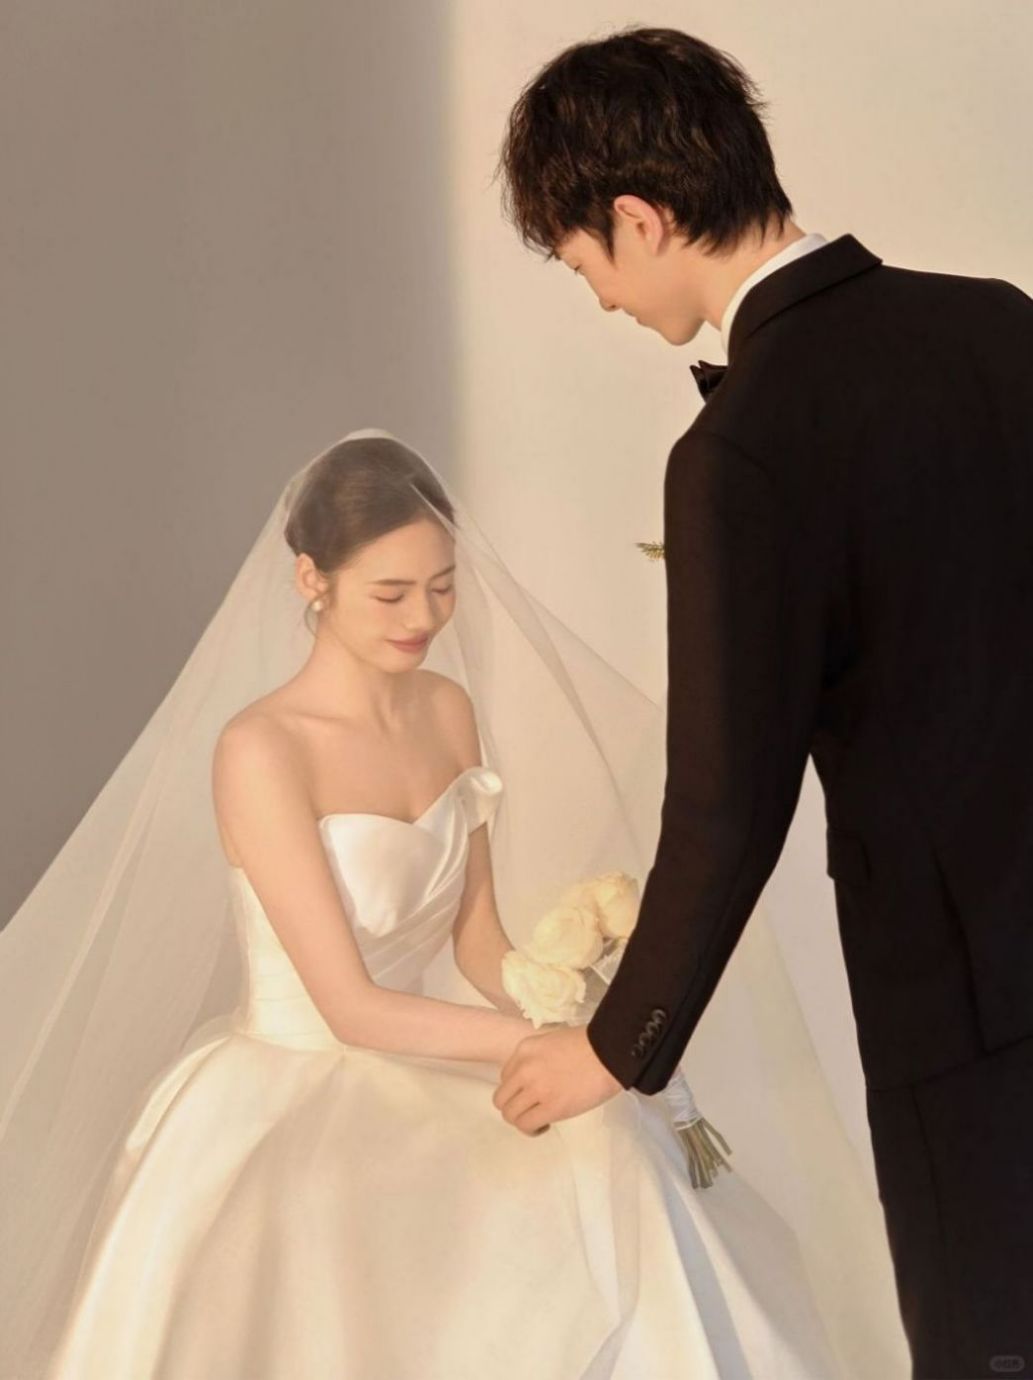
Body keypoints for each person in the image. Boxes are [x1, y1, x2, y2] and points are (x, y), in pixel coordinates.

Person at [0, 432, 908, 1378]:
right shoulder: (261, 749)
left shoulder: (444, 708)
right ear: (312, 580)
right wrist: (553, 1047)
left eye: (441, 586)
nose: (424, 616)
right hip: (298, 1081)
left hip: (425, 1048)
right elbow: (350, 1009)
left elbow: (477, 940)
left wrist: (578, 1017)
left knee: (611, 1159)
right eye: (390, 593)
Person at [496, 24, 1033, 1379]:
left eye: (583, 265)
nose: (601, 301)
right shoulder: (1000, 321)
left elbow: (726, 804)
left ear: (638, 218)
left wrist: (618, 1047)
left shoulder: (736, 451)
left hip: (961, 990)